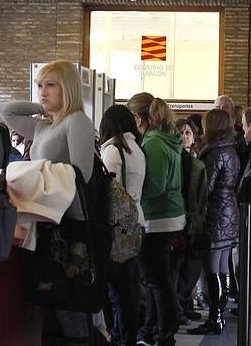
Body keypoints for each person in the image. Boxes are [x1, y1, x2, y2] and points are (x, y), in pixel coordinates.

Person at [0, 60, 95, 346]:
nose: (43, 91)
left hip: (70, 223)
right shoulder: (44, 126)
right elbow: (7, 111)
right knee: (49, 303)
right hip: (45, 220)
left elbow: (81, 176)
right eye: (40, 85)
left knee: (69, 303)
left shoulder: (77, 121)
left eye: (51, 85)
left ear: (68, 88)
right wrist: (42, 107)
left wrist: (36, 174)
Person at [131, 96, 185, 346]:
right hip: (171, 215)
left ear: (139, 118)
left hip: (158, 218)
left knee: (157, 282)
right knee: (160, 280)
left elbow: (155, 186)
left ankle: (164, 335)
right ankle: (154, 330)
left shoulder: (152, 143)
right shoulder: (168, 138)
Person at [187, 109, 240, 335]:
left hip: (215, 215)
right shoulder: (231, 150)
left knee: (212, 270)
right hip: (229, 211)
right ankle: (220, 316)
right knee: (221, 268)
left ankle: (215, 319)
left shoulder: (214, 153)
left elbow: (205, 187)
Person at [98, 104, 146, 346]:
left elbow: (108, 190)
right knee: (128, 287)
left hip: (118, 226)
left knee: (117, 290)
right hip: (136, 221)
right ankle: (128, 336)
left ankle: (119, 336)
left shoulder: (113, 151)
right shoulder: (136, 148)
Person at [171, 118, 206, 325]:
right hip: (181, 216)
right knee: (178, 266)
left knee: (189, 267)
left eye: (188, 133)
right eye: (181, 132)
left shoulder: (195, 158)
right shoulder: (178, 159)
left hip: (193, 218)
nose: (184, 136)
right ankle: (178, 308)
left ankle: (185, 304)